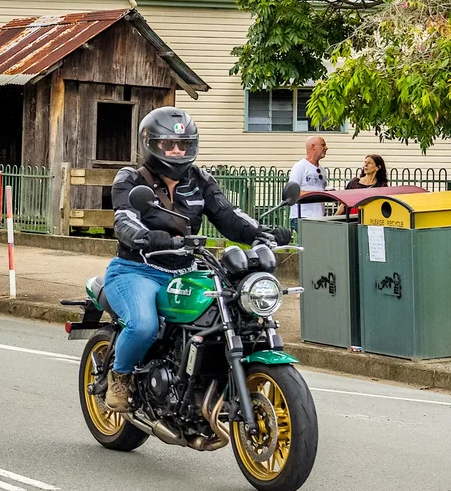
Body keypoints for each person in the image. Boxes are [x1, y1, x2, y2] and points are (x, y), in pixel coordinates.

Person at [102, 107, 291, 414]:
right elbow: (124, 219)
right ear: (151, 143)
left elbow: (228, 216)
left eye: (184, 145)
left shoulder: (200, 179)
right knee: (143, 325)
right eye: (169, 144)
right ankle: (120, 375)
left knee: (231, 310)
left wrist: (264, 233)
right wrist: (147, 237)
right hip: (138, 269)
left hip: (187, 270)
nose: (177, 151)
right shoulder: (132, 178)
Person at [288, 136, 328, 233]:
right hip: (302, 217)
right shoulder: (300, 167)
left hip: (319, 217)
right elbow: (292, 193)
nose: (326, 148)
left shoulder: (322, 170)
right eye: (323, 145)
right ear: (313, 146)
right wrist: (318, 194)